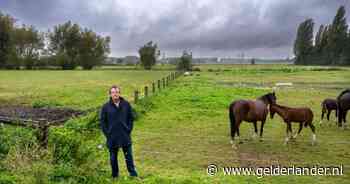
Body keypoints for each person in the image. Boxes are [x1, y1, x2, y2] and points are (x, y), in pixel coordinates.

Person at [100, 85, 138, 178]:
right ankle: (115, 176)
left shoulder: (126, 104)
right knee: (113, 158)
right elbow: (103, 122)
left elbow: (130, 118)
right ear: (110, 94)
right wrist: (107, 134)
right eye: (113, 92)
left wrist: (128, 130)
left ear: (119, 93)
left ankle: (133, 175)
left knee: (129, 156)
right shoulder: (105, 107)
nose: (115, 94)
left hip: (124, 135)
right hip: (112, 137)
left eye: (117, 92)